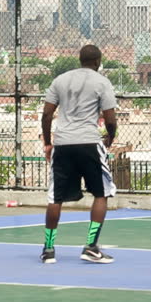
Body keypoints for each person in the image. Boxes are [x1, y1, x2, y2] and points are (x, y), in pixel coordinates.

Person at [40, 45, 118, 265]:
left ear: (80, 59)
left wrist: (48, 143)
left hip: (63, 143)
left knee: (56, 197)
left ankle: (48, 249)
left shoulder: (60, 80)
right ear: (98, 62)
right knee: (101, 193)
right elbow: (110, 119)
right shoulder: (102, 82)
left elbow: (46, 115)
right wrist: (110, 138)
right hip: (89, 142)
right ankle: (91, 246)